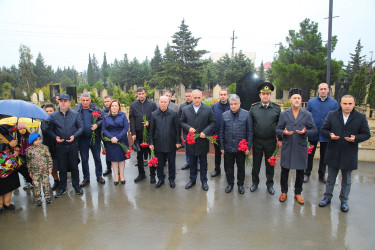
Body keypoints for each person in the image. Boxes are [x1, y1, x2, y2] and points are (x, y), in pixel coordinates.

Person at [318, 95, 371, 213]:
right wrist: (330, 135)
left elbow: (366, 134)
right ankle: (327, 197)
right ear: (340, 104)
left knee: (346, 180)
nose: (347, 106)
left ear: (354, 104)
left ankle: (344, 201)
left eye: (350, 104)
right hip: (333, 151)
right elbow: (324, 129)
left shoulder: (360, 117)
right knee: (331, 178)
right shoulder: (332, 115)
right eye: (345, 103)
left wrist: (356, 138)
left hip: (349, 153)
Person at [275, 89, 317, 205]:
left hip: (300, 146)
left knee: (300, 172)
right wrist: (283, 132)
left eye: (298, 98)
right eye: (294, 98)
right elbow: (277, 129)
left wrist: (305, 132)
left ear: (301, 100)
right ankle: (284, 192)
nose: (297, 100)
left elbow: (314, 130)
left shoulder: (307, 115)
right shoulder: (284, 114)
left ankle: (298, 193)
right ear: (290, 100)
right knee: (285, 171)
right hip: (288, 146)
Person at [48, 94, 84, 198]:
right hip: (60, 146)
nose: (63, 102)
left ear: (69, 102)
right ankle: (62, 188)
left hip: (73, 145)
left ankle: (76, 186)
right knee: (62, 168)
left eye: (65, 101)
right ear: (58, 102)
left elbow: (81, 127)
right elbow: (49, 129)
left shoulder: (75, 114)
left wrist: (74, 136)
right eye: (61, 101)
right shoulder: (53, 116)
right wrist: (55, 137)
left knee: (74, 166)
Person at [180, 89, 216, 191]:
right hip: (191, 141)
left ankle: (204, 181)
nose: (196, 100)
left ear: (201, 98)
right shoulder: (186, 109)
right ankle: (192, 180)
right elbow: (181, 121)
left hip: (202, 140)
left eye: (198, 97)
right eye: (194, 98)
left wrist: (206, 132)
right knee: (192, 162)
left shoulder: (208, 109)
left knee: (203, 162)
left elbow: (213, 122)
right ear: (191, 98)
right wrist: (188, 128)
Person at [249, 82, 281, 195]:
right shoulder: (253, 108)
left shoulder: (276, 109)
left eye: (267, 94)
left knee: (270, 164)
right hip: (257, 141)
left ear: (270, 95)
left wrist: (280, 139)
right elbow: (250, 126)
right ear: (260, 95)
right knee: (256, 163)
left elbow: (279, 125)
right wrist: (249, 142)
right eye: (263, 94)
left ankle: (270, 184)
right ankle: (255, 183)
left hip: (271, 141)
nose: (265, 96)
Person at [304, 83, 339, 183]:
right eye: (321, 89)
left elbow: (336, 119)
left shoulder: (333, 103)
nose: (323, 91)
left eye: (325, 89)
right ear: (318, 90)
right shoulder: (311, 102)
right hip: (312, 133)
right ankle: (307, 173)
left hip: (326, 134)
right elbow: (306, 116)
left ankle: (322, 174)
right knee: (309, 155)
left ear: (328, 90)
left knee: (324, 156)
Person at [220, 94, 252, 194]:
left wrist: (248, 147)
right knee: (228, 167)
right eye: (231, 104)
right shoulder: (224, 115)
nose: (233, 106)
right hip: (228, 147)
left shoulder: (246, 114)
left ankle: (240, 184)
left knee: (241, 167)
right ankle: (230, 184)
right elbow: (221, 132)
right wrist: (222, 146)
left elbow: (250, 132)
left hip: (241, 148)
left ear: (240, 103)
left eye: (235, 104)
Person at [149, 96, 181, 188]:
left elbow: (177, 129)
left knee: (171, 163)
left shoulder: (173, 114)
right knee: (159, 164)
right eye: (161, 102)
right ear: (159, 102)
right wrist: (151, 143)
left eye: (165, 102)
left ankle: (171, 179)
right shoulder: (154, 114)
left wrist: (178, 141)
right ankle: (161, 179)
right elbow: (151, 130)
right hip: (158, 143)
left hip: (171, 143)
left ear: (168, 103)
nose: (163, 104)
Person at [75, 93, 105, 186]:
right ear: (80, 101)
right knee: (84, 159)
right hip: (82, 139)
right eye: (83, 100)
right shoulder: (76, 110)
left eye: (87, 100)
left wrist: (97, 124)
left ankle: (99, 176)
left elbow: (102, 119)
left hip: (94, 138)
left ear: (90, 100)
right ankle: (86, 178)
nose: (85, 102)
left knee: (97, 158)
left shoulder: (95, 109)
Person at [0, 126, 32, 212]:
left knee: (10, 183)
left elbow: (12, 142)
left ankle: (7, 202)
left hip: (9, 163)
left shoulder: (3, 130)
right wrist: (8, 145)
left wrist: (17, 148)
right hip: (1, 164)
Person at [129, 87, 158, 183]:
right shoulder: (133, 105)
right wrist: (133, 133)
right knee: (139, 155)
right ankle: (141, 174)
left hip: (150, 133)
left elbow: (156, 116)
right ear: (137, 94)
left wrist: (149, 122)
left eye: (142, 93)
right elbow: (132, 119)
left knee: (152, 154)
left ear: (145, 93)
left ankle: (152, 175)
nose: (141, 95)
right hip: (138, 133)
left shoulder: (152, 104)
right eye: (139, 94)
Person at [102, 99, 130, 185]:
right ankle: (116, 176)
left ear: (119, 107)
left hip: (121, 139)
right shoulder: (106, 116)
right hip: (110, 140)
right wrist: (111, 137)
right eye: (112, 106)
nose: (114, 107)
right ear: (110, 107)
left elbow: (126, 128)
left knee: (121, 159)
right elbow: (104, 129)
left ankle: (122, 176)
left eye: (116, 106)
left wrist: (117, 137)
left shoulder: (123, 115)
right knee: (113, 159)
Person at [25, 132, 53, 206]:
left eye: (39, 139)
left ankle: (47, 197)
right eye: (36, 140)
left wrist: (50, 167)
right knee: (36, 185)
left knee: (46, 183)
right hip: (35, 171)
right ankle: (38, 199)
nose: (38, 141)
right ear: (32, 141)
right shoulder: (29, 150)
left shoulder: (44, 147)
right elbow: (28, 162)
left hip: (44, 170)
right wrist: (30, 171)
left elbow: (49, 158)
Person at [210, 88, 230, 177]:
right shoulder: (214, 107)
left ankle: (227, 171)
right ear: (219, 96)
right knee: (217, 154)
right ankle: (217, 170)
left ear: (227, 95)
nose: (223, 96)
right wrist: (211, 135)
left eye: (224, 94)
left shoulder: (232, 105)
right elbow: (211, 121)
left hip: (228, 136)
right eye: (221, 94)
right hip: (217, 135)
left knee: (227, 156)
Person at [41, 103, 60, 190]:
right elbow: (45, 131)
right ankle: (56, 180)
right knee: (52, 166)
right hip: (48, 146)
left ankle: (63, 180)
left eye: (50, 111)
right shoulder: (43, 122)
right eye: (47, 111)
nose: (48, 113)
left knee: (61, 164)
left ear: (54, 111)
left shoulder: (58, 120)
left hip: (58, 145)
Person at [178, 90, 193, 170]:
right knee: (187, 147)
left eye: (189, 96)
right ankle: (188, 162)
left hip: (195, 130)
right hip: (186, 131)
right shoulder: (182, 106)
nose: (188, 98)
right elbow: (179, 118)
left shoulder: (195, 105)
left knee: (195, 147)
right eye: (186, 96)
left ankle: (197, 163)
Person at [16, 122, 33, 189]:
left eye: (24, 128)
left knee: (29, 169)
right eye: (20, 129)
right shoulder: (17, 138)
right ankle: (26, 182)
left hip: (28, 155)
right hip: (21, 156)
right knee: (23, 170)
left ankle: (31, 181)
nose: (22, 130)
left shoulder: (29, 137)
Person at [102, 95, 113, 176]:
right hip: (106, 136)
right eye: (105, 101)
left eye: (108, 101)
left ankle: (118, 168)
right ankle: (108, 168)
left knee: (117, 151)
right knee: (108, 152)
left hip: (116, 135)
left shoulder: (116, 110)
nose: (106, 103)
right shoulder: (102, 112)